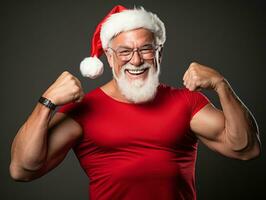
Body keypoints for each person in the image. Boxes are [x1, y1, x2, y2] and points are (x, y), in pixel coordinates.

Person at [9, 5, 261, 200]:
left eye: (146, 49)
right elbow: (22, 168)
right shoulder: (85, 109)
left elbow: (246, 149)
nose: (136, 60)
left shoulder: (186, 102)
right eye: (125, 51)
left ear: (159, 53)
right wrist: (46, 102)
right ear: (109, 56)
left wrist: (221, 85)